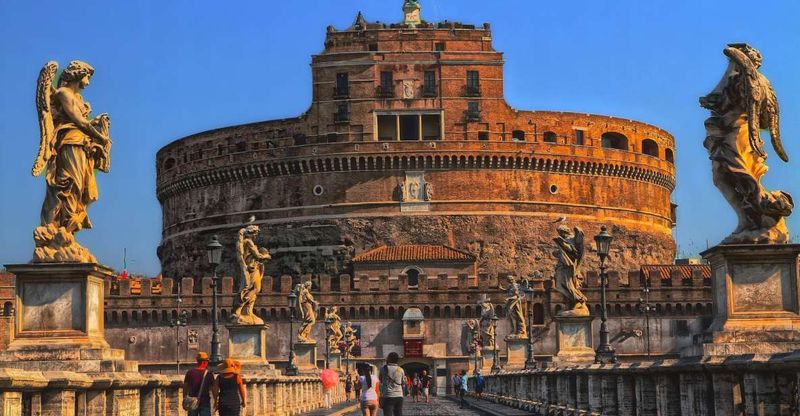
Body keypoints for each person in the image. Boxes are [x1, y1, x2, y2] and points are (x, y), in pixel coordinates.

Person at [182, 352, 215, 416]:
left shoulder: (190, 372)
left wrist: (184, 399)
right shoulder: (209, 374)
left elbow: (185, 387)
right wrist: (216, 400)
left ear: (198, 361)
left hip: (192, 402)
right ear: (204, 362)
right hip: (205, 402)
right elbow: (213, 389)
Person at [379, 352, 406, 416]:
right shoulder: (401, 369)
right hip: (399, 396)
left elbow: (381, 380)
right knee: (399, 414)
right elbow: (403, 383)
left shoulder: (383, 369)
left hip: (388, 395)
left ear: (389, 358)